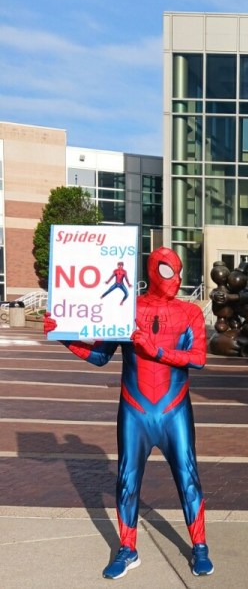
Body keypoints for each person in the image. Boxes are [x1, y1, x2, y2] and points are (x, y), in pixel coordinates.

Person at [44, 246, 214, 579]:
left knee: (188, 477)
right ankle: (128, 548)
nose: (175, 279)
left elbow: (198, 358)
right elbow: (100, 356)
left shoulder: (189, 312)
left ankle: (200, 547)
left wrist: (158, 351)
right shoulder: (126, 309)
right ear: (152, 271)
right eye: (167, 271)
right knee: (127, 480)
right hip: (135, 410)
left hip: (173, 408)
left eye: (179, 272)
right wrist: (63, 335)